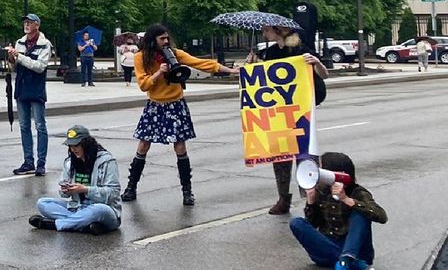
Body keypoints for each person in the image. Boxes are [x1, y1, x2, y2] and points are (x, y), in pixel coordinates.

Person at [121, 24, 239, 206]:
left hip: (176, 104)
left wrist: (230, 71)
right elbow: (144, 84)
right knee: (143, 145)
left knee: (180, 147)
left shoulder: (175, 53)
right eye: (162, 39)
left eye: (167, 38)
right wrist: (159, 73)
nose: (166, 41)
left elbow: (200, 63)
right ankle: (131, 187)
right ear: (152, 40)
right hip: (155, 105)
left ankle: (187, 191)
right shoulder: (140, 58)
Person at [248, 25, 329, 214]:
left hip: (301, 109)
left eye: (266, 30)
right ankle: (283, 197)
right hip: (279, 109)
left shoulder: (301, 50)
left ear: (278, 31)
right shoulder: (269, 53)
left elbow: (324, 75)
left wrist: (316, 62)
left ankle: (312, 196)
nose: (263, 33)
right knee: (280, 153)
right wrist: (252, 66)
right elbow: (263, 79)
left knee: (305, 152)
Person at [289, 152, 386, 270]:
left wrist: (346, 200)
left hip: (356, 249)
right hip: (326, 251)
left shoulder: (357, 192)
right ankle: (353, 264)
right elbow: (312, 225)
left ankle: (345, 261)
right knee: (297, 223)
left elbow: (381, 216)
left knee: (360, 214)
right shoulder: (322, 190)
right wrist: (311, 201)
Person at [28, 125, 122, 234]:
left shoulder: (107, 161)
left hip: (104, 210)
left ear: (86, 144)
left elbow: (114, 193)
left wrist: (85, 190)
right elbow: (64, 195)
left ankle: (56, 224)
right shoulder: (69, 162)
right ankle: (84, 225)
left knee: (99, 209)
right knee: (43, 203)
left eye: (76, 145)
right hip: (77, 207)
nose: (73, 149)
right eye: (70, 146)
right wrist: (65, 190)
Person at [7, 14, 53, 177]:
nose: (26, 25)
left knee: (40, 125)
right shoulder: (19, 42)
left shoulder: (44, 44)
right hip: (21, 88)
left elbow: (39, 66)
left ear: (37, 25)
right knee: (24, 126)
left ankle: (41, 163)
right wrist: (12, 59)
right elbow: (14, 68)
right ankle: (28, 161)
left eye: (29, 22)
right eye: (25, 22)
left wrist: (19, 56)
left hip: (36, 89)